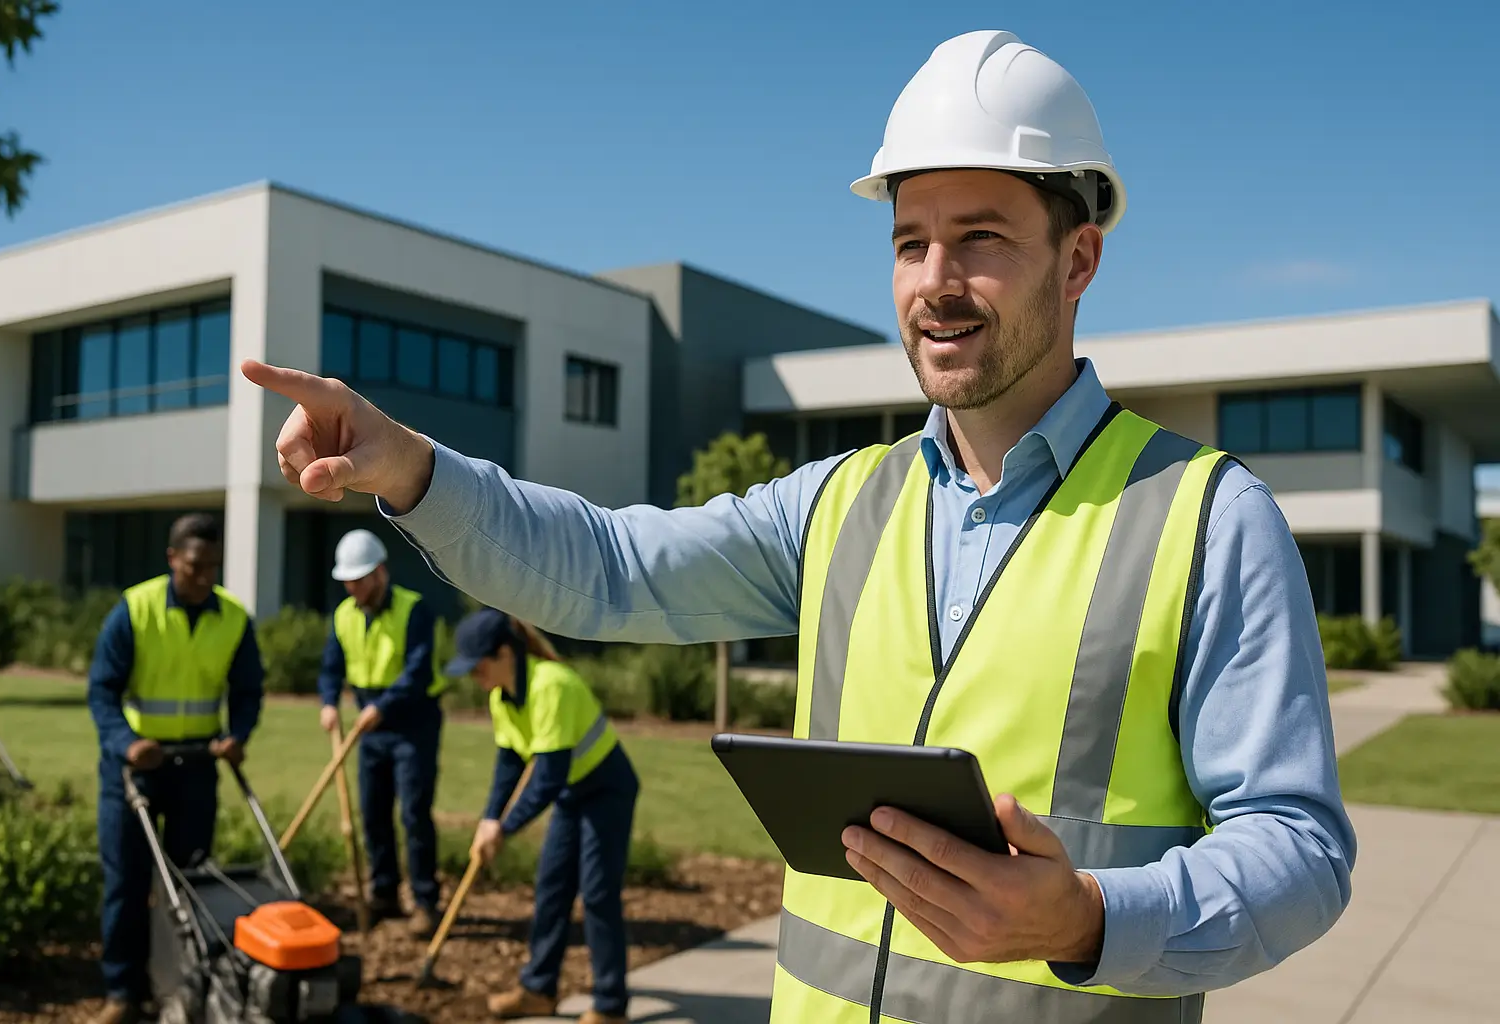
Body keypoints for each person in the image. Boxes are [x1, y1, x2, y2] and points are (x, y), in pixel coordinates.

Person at [241, 27, 1357, 1022]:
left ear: (1079, 259)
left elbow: (1299, 852)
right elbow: (608, 568)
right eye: (910, 241)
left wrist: (1086, 918)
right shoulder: (837, 503)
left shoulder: (1207, 517)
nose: (937, 281)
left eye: (981, 238)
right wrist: (414, 469)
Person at [85, 512, 265, 1024]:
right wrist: (126, 742)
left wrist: (238, 735)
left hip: (195, 767)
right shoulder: (134, 610)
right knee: (126, 880)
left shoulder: (232, 617)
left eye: (213, 566)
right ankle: (122, 992)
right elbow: (102, 690)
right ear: (172, 560)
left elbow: (248, 689)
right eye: (194, 566)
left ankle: (185, 983)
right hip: (135, 768)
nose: (205, 576)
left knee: (189, 879)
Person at [444, 608, 639, 1024]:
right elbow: (510, 764)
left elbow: (547, 778)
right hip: (573, 793)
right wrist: (488, 817)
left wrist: (506, 828)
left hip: (607, 790)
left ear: (503, 654)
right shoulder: (502, 698)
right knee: (551, 886)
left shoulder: (553, 685)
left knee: (598, 892)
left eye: (477, 666)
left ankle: (610, 1005)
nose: (474, 677)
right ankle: (538, 990)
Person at [317, 527, 444, 938]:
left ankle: (425, 902)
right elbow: (333, 666)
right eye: (347, 581)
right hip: (368, 728)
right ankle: (384, 892)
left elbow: (418, 672)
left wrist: (382, 707)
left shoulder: (414, 610)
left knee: (413, 813)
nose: (352, 587)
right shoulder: (344, 615)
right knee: (372, 813)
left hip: (413, 724)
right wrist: (328, 703)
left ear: (380, 573)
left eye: (358, 579)